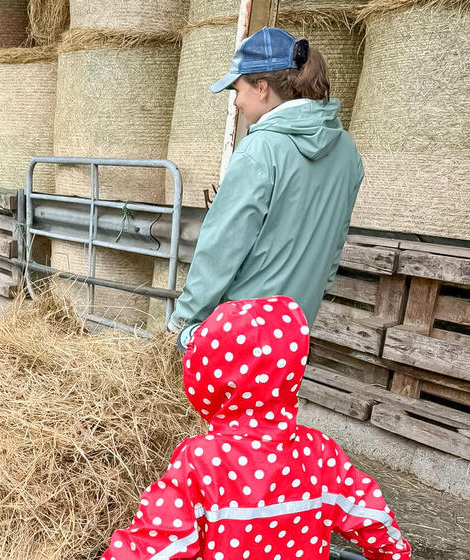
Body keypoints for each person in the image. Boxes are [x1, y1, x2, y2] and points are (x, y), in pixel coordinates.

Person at [100, 296, 411, 560]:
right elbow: (371, 517)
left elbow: (155, 544)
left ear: (208, 383)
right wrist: (395, 553)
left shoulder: (200, 461)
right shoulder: (320, 454)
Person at [169, 28, 363, 343]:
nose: (237, 103)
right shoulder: (347, 151)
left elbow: (221, 247)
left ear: (261, 88)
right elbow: (333, 249)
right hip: (293, 329)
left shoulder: (259, 150)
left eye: (237, 90)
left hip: (238, 330)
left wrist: (184, 321)